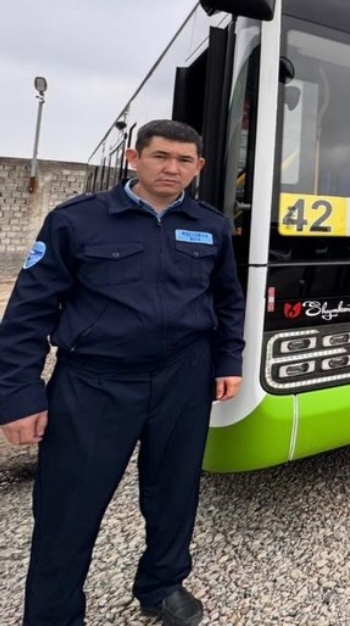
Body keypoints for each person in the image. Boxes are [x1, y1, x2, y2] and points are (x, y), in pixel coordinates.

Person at [0, 120, 246, 626]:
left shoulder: (212, 226)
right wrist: (19, 394)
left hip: (185, 375)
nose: (171, 169)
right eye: (161, 157)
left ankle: (161, 585)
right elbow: (28, 312)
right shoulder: (77, 221)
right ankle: (53, 614)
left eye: (183, 161)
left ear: (198, 168)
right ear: (135, 158)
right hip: (94, 381)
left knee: (174, 493)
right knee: (69, 505)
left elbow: (227, 301)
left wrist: (228, 360)